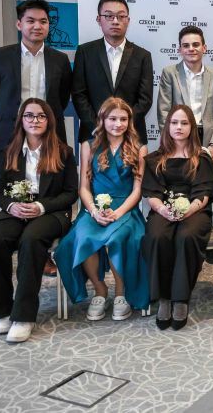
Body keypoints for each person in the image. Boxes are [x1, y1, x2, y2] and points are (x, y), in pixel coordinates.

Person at [0, 0, 71, 280]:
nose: (37, 26)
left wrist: (42, 127)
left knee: (44, 192)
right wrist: (15, 125)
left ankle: (40, 256)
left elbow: (61, 98)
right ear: (19, 24)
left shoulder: (59, 59)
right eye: (31, 21)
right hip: (8, 137)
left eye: (43, 21)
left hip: (48, 139)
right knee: (2, 194)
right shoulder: (1, 56)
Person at [0, 98, 77, 343]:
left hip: (52, 211)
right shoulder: (9, 150)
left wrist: (40, 206)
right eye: (29, 115)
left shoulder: (64, 151)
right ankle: (2, 311)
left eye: (40, 116)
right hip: (16, 209)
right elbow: (0, 191)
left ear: (49, 120)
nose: (35, 120)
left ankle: (24, 316)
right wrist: (11, 206)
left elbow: (71, 193)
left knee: (32, 239)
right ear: (21, 120)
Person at [55, 97, 149, 321]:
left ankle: (121, 293)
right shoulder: (89, 145)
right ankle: (100, 290)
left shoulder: (139, 147)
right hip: (94, 208)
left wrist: (119, 212)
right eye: (113, 119)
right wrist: (94, 211)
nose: (118, 124)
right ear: (102, 120)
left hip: (126, 209)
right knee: (83, 236)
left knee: (119, 237)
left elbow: (137, 191)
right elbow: (84, 188)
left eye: (123, 119)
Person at [141, 105, 213, 330]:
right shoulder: (155, 159)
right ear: (167, 126)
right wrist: (163, 210)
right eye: (174, 122)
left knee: (186, 236)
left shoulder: (201, 158)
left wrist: (188, 210)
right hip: (163, 209)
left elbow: (204, 194)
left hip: (195, 210)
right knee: (157, 236)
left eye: (184, 123)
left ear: (192, 127)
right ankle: (164, 298)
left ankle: (181, 299)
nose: (179, 127)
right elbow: (152, 195)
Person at [72, 0, 153, 144]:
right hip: (93, 134)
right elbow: (79, 95)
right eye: (109, 16)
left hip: (131, 135)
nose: (115, 21)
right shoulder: (85, 52)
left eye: (121, 16)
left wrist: (123, 125)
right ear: (99, 19)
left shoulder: (143, 56)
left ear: (128, 20)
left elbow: (145, 99)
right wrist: (98, 126)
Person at [157, 25, 213, 164]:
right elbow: (164, 112)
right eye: (186, 45)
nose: (191, 49)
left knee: (202, 177)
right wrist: (170, 141)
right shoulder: (169, 73)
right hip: (177, 136)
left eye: (195, 44)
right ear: (180, 50)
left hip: (205, 138)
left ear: (204, 48)